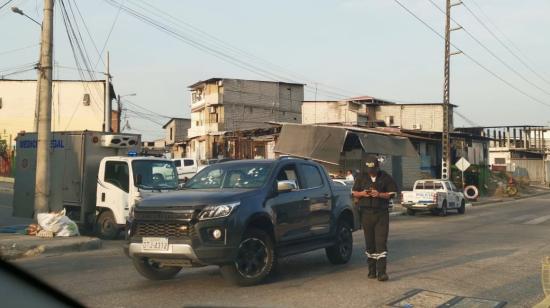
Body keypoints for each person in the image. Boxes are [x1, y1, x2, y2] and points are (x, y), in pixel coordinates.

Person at [352, 155, 397, 282]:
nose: (371, 172)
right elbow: (354, 192)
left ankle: (382, 273)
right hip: (366, 214)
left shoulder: (385, 177)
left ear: (378, 167)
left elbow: (392, 193)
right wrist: (363, 193)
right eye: (369, 170)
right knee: (369, 242)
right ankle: (371, 271)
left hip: (381, 214)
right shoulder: (361, 177)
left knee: (381, 242)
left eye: (373, 170)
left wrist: (379, 194)